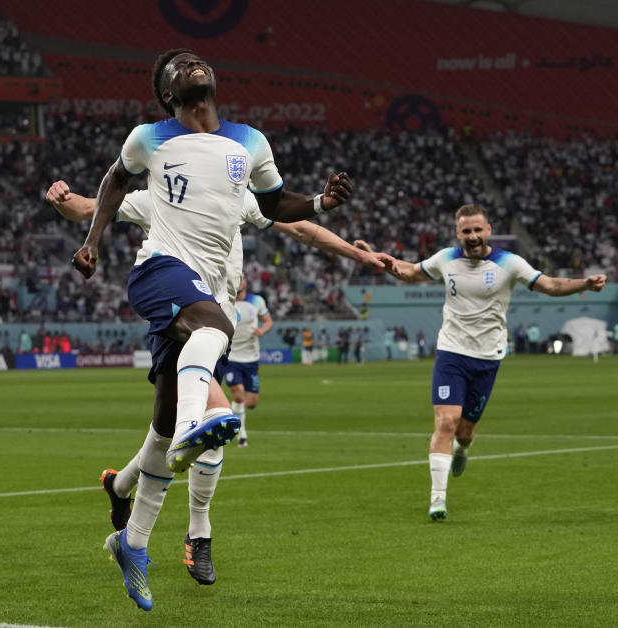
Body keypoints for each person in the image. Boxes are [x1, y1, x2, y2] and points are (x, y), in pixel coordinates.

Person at [68, 48, 370, 610]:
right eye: (178, 68)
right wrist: (91, 242)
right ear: (167, 94)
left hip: (201, 292)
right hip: (159, 272)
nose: (192, 66)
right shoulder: (149, 137)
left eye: (197, 61)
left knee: (158, 434)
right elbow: (111, 184)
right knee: (217, 330)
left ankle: (131, 542)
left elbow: (277, 202)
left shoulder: (249, 141)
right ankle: (194, 433)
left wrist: (323, 202)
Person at [46, 166, 388, 592]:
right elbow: (88, 208)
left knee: (163, 433)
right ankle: (198, 533)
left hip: (217, 322)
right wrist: (62, 199)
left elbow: (304, 230)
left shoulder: (238, 199)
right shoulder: (158, 197)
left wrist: (361, 256)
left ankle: (120, 489)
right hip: (182, 314)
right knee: (214, 417)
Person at [381, 204, 605, 521]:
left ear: (488, 229)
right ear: (458, 232)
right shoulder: (446, 259)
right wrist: (379, 259)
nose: (472, 236)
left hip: (488, 358)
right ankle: (437, 500)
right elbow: (410, 272)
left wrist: (585, 283)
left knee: (465, 432)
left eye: (477, 230)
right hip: (451, 353)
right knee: (446, 422)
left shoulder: (509, 263)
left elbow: (551, 285)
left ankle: (462, 451)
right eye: (465, 231)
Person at [224, 275, 272, 447]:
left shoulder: (256, 300)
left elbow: (268, 321)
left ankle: (234, 416)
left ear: (245, 282)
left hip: (251, 358)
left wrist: (262, 330)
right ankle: (241, 435)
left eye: (242, 278)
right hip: (231, 356)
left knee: (250, 402)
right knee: (237, 393)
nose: (239, 280)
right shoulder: (224, 300)